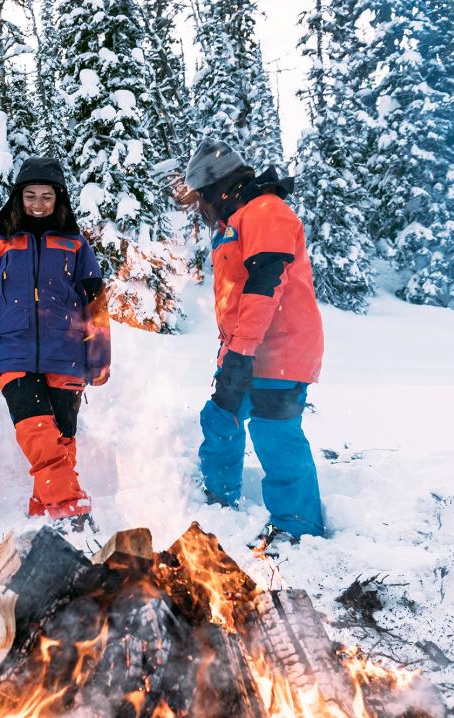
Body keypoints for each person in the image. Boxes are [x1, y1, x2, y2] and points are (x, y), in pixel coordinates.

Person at [179, 138, 325, 545]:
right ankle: (217, 500)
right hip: (245, 348)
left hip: (282, 350)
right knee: (219, 417)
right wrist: (232, 353)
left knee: (275, 434)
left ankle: (298, 529)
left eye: (201, 198)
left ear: (218, 189)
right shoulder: (235, 222)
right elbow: (236, 299)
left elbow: (265, 284)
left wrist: (241, 351)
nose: (201, 208)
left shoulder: (266, 211)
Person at [0, 157, 111, 533]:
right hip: (12, 353)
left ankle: (45, 512)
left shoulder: (75, 244)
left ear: (58, 199)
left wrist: (99, 356)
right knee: (37, 433)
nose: (38, 204)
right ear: (18, 197)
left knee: (62, 439)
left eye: (46, 196)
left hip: (67, 354)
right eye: (30, 195)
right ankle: (70, 511)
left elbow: (96, 303)